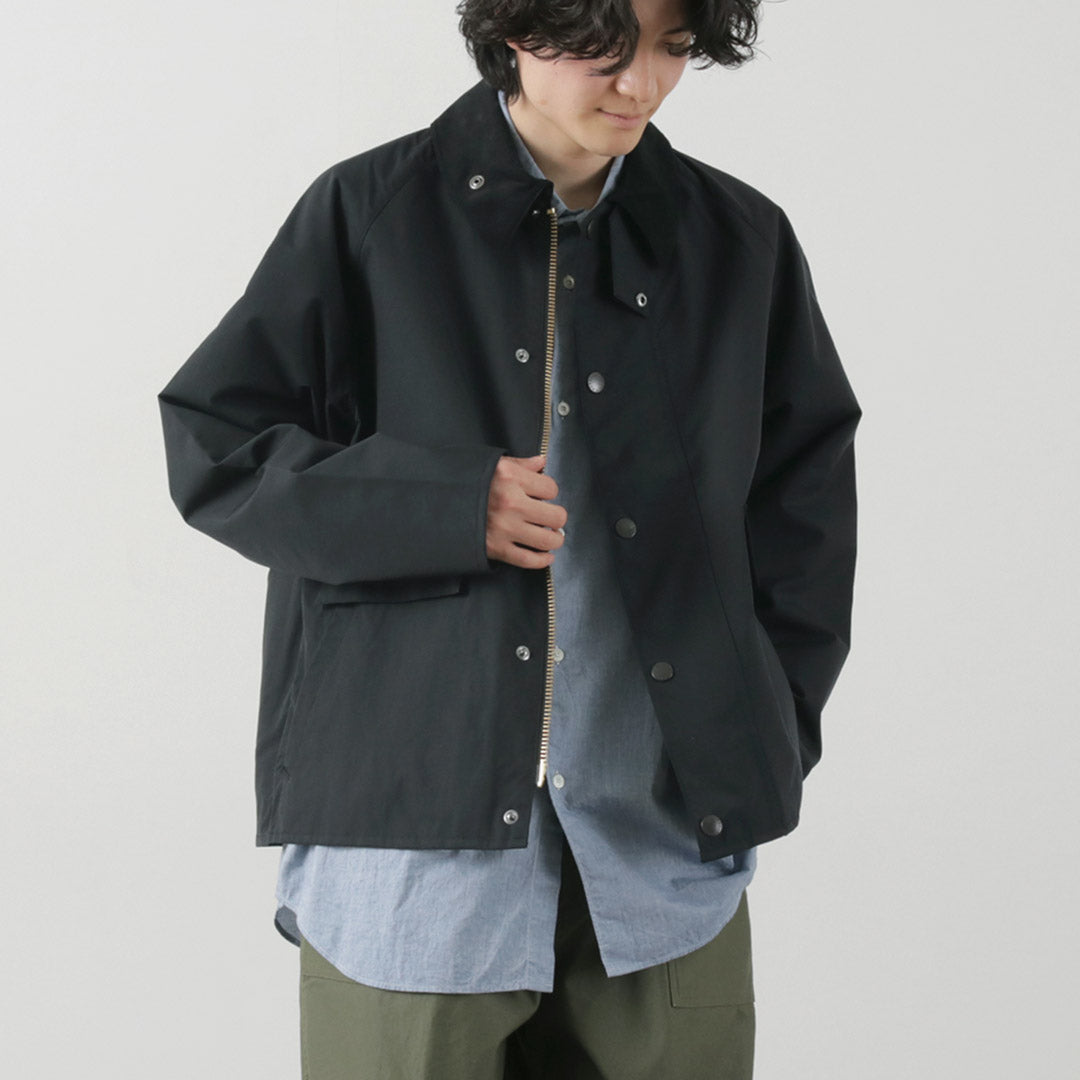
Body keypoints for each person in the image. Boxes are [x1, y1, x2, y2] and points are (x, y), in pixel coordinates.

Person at [158, 0, 861, 1075]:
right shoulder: (370, 212)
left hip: (664, 852)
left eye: (673, 48)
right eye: (605, 47)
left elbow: (804, 509)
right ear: (520, 28)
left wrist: (764, 724)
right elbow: (216, 444)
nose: (641, 84)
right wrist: (443, 504)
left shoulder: (739, 240)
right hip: (409, 847)